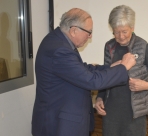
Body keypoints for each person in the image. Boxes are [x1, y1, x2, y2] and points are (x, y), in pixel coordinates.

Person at [31, 8, 136, 136]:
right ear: (74, 30)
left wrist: (110, 67)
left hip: (63, 121)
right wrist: (123, 67)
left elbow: (82, 69)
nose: (90, 36)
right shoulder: (59, 50)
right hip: (58, 125)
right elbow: (92, 81)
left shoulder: (60, 41)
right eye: (89, 32)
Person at [95, 5, 148, 136]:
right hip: (111, 112)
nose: (121, 36)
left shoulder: (144, 47)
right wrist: (100, 97)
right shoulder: (109, 46)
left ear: (132, 28)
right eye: (116, 32)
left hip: (135, 113)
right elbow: (106, 76)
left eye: (124, 31)